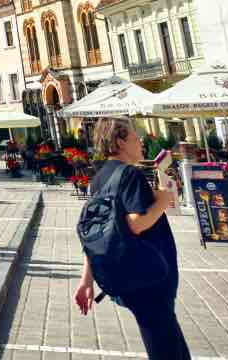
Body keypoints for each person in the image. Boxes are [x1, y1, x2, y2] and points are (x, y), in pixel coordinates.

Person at [75, 117, 189, 360]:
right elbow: (136, 224)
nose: (141, 143)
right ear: (120, 142)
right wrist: (165, 199)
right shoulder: (129, 174)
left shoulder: (99, 178)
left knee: (171, 341)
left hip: (124, 274)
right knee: (165, 347)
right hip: (147, 275)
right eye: (136, 137)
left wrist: (86, 280)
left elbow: (99, 232)